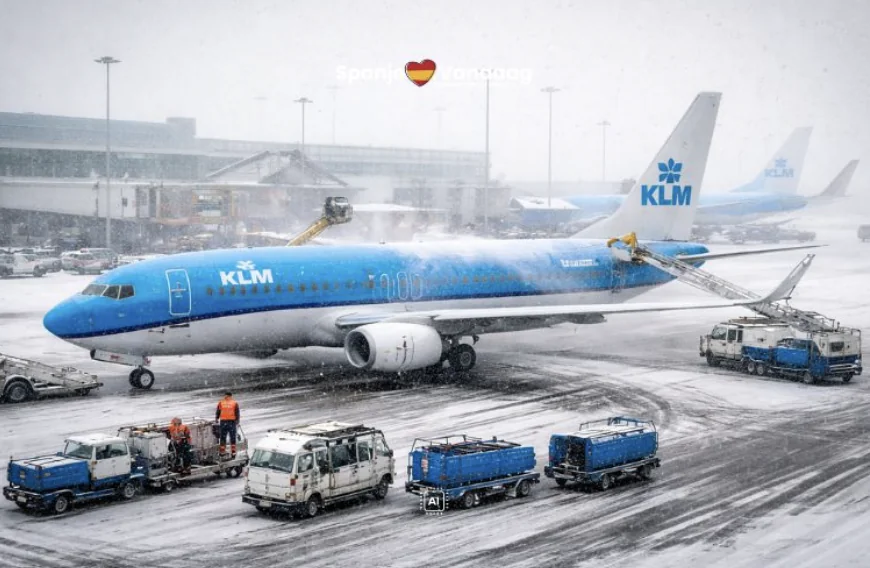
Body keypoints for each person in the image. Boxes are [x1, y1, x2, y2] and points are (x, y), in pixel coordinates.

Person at [216, 391, 240, 457]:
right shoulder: (234, 403)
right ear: (231, 396)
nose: (225, 396)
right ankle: (232, 452)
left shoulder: (221, 402)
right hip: (231, 422)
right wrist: (237, 421)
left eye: (225, 395)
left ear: (226, 395)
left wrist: (216, 418)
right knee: (232, 437)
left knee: (223, 437)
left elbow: (218, 411)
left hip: (224, 422)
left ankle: (222, 452)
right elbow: (237, 413)